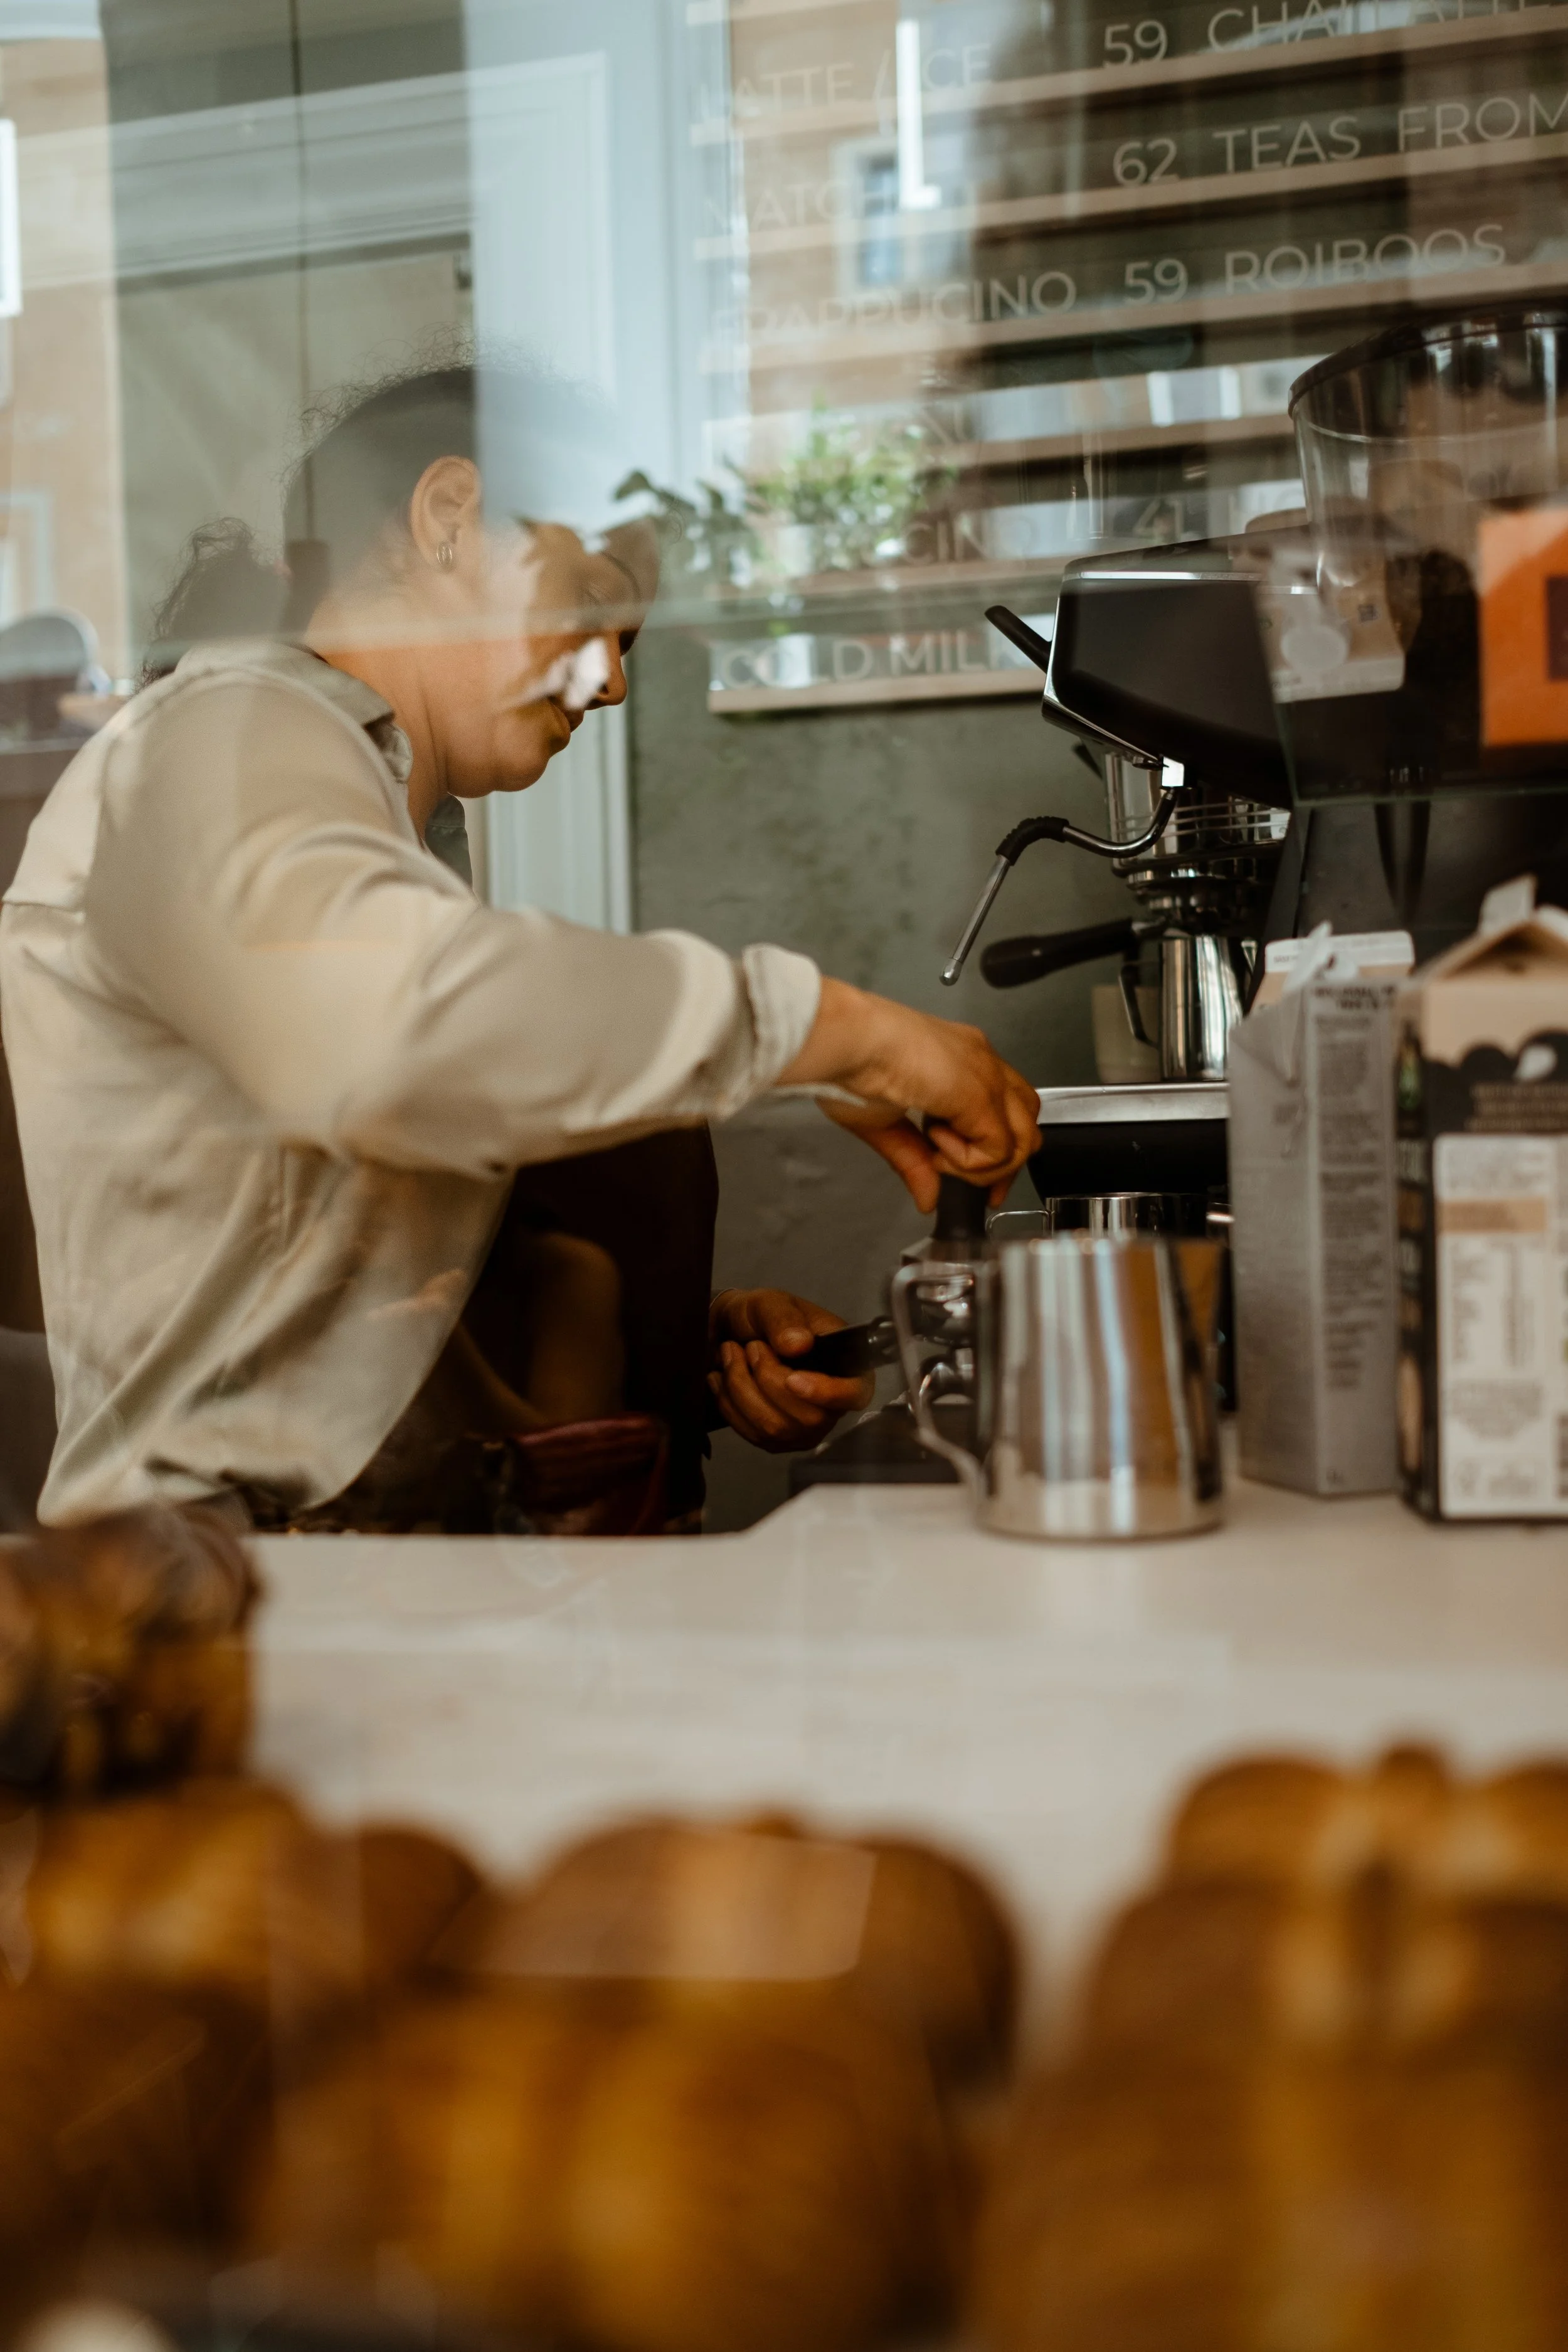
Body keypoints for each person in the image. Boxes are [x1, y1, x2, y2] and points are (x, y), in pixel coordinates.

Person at [0, 363, 1040, 1533]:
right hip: (244, 1592)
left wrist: (669, 1345)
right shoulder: (214, 737)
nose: (610, 680)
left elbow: (293, 1274)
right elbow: (383, 1032)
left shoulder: (360, 811)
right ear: (449, 519)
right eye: (591, 598)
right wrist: (837, 1030)